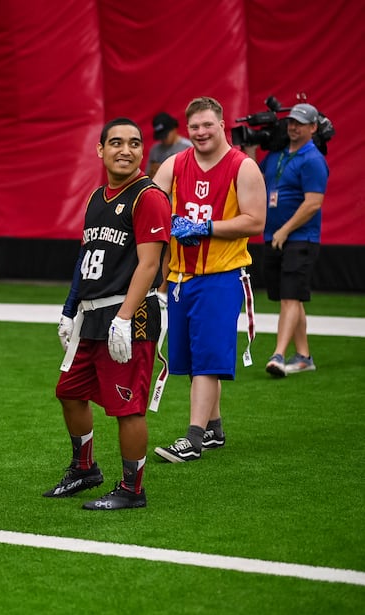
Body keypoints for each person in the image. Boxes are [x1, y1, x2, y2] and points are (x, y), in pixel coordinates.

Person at [46, 117, 170, 510]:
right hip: (92, 316)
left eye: (134, 143)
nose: (125, 150)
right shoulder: (95, 197)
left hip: (129, 315)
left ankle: (133, 489)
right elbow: (86, 257)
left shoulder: (148, 197)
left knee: (127, 406)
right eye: (116, 142)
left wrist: (124, 316)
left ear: (142, 151)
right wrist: (69, 310)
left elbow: (150, 264)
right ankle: (85, 469)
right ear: (100, 150)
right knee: (69, 391)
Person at [152, 96, 266, 463]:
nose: (201, 132)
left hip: (221, 276)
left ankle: (193, 438)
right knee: (193, 359)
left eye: (207, 125)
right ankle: (214, 429)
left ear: (221, 125)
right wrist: (168, 221)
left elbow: (256, 220)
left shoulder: (242, 167)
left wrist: (205, 227)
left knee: (206, 361)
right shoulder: (174, 163)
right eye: (194, 127)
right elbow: (151, 203)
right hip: (180, 278)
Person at [258, 103, 328, 377]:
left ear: (313, 127)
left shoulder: (313, 159)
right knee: (291, 297)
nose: (293, 127)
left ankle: (278, 355)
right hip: (275, 236)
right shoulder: (277, 155)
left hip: (300, 238)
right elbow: (255, 176)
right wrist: (250, 147)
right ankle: (304, 356)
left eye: (300, 123)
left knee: (289, 297)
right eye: (290, 122)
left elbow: (313, 203)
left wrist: (285, 230)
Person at [147, 112, 192, 178]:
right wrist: (152, 173)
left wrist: (164, 170)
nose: (163, 139)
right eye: (160, 136)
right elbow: (146, 177)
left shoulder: (188, 147)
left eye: (165, 135)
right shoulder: (155, 150)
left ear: (174, 129)